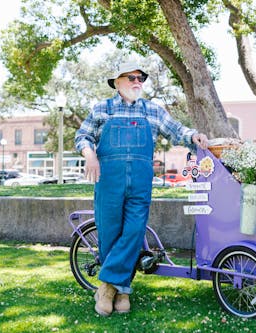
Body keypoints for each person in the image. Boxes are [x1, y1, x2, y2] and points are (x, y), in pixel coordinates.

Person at [74, 60, 209, 316]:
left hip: (140, 182)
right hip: (108, 182)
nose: (138, 82)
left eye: (141, 78)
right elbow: (83, 135)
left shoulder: (153, 111)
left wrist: (193, 137)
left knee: (134, 231)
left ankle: (107, 287)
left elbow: (176, 131)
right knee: (110, 233)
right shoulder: (102, 109)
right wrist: (89, 154)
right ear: (117, 82)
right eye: (132, 77)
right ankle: (122, 289)